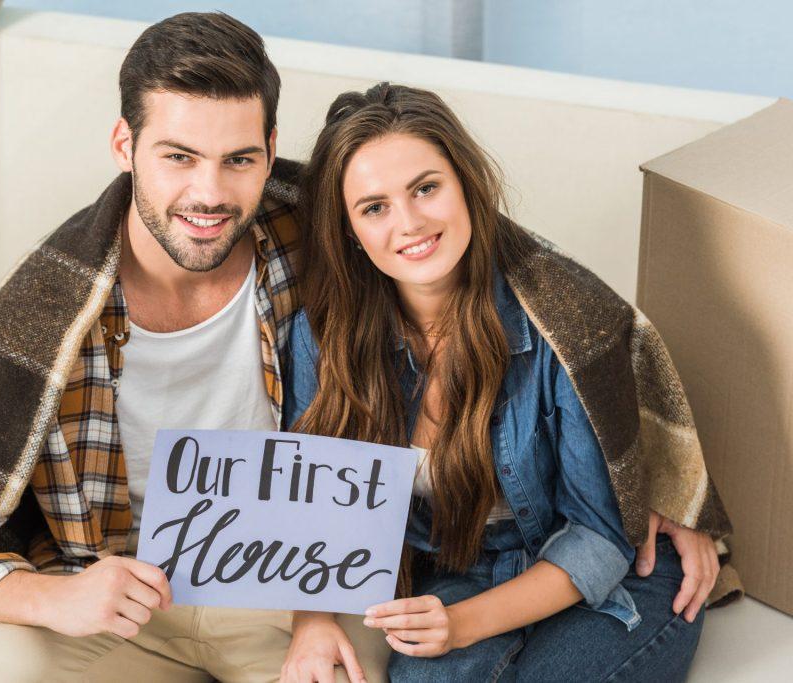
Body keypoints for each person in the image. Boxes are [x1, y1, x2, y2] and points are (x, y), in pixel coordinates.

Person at [0, 12, 387, 682]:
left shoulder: (318, 223)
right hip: (123, 595)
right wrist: (55, 595)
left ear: (269, 147)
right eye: (178, 156)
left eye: (238, 160)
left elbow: (464, 233)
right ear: (125, 144)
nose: (209, 194)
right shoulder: (39, 313)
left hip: (294, 589)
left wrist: (317, 610)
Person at [280, 83, 732, 682]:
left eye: (425, 188)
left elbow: (599, 536)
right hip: (452, 572)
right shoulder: (326, 335)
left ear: (466, 184)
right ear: (349, 231)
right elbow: (307, 500)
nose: (410, 223)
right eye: (375, 207)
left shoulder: (563, 320)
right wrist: (311, 621)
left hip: (599, 571)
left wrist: (461, 625)